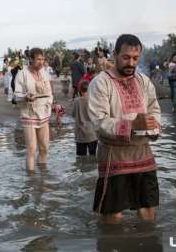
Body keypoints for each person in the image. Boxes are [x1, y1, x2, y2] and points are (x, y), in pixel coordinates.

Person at [88, 34, 161, 224]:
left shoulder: (143, 81)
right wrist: (131, 125)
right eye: (126, 57)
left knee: (147, 212)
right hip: (114, 156)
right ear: (115, 54)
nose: (131, 63)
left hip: (143, 154)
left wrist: (153, 127)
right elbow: (98, 121)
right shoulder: (100, 82)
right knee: (113, 217)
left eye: (135, 58)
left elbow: (154, 109)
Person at [14, 48, 53, 171]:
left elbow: (50, 92)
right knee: (31, 148)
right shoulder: (22, 74)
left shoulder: (44, 72)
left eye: (42, 59)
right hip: (29, 114)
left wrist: (51, 104)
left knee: (44, 148)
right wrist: (26, 97)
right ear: (31, 59)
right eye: (38, 59)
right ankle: (31, 179)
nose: (41, 62)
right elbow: (16, 95)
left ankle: (43, 175)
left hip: (44, 113)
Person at [72, 80, 97, 156]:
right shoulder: (93, 100)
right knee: (93, 156)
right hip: (92, 133)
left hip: (80, 134)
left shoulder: (76, 101)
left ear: (79, 89)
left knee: (81, 158)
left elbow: (73, 114)